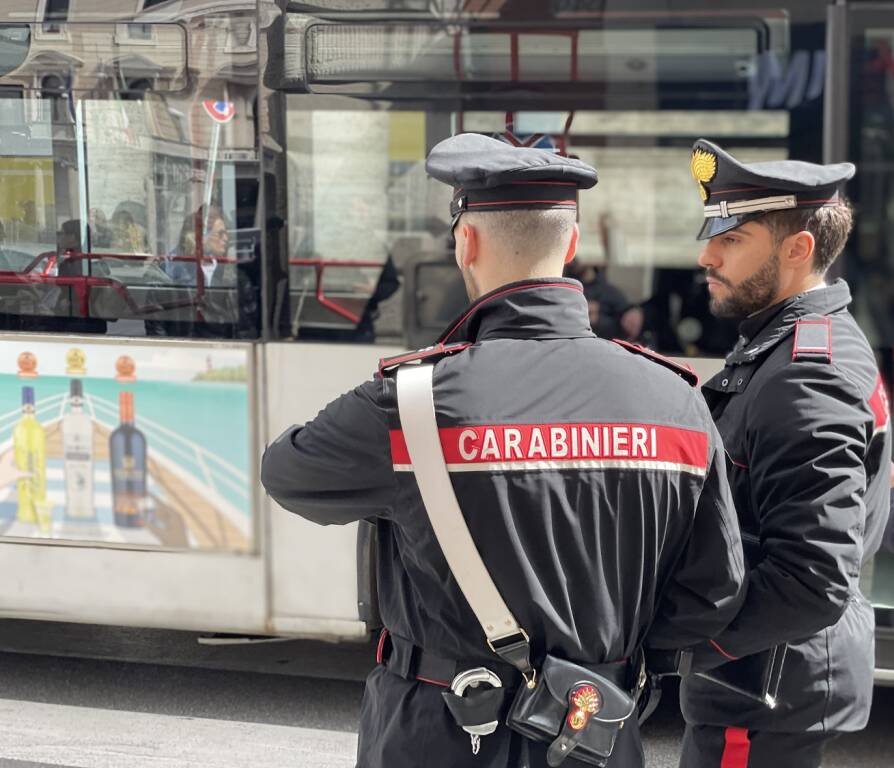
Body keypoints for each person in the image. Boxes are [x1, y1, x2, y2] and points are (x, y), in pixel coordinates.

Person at [261, 133, 746, 768]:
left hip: (438, 733)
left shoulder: (410, 403)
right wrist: (605, 655)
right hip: (593, 729)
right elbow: (714, 590)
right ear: (571, 245)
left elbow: (286, 471)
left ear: (466, 242)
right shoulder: (676, 402)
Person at [678, 139, 893, 768]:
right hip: (772, 677)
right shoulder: (800, 344)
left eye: (733, 239)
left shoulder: (806, 372)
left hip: (763, 685)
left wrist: (684, 642)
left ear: (798, 250)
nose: (706, 255)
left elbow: (811, 578)